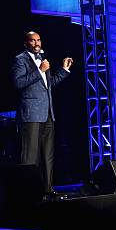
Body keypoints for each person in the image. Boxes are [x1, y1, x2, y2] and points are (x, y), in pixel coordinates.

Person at [10, 31, 73, 199]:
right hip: (30, 115)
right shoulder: (20, 60)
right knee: (30, 157)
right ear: (26, 43)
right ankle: (27, 193)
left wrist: (64, 70)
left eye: (38, 40)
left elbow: (48, 85)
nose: (36, 43)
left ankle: (48, 189)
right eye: (32, 41)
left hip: (47, 113)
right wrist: (39, 70)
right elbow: (18, 82)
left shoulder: (42, 59)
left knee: (48, 156)